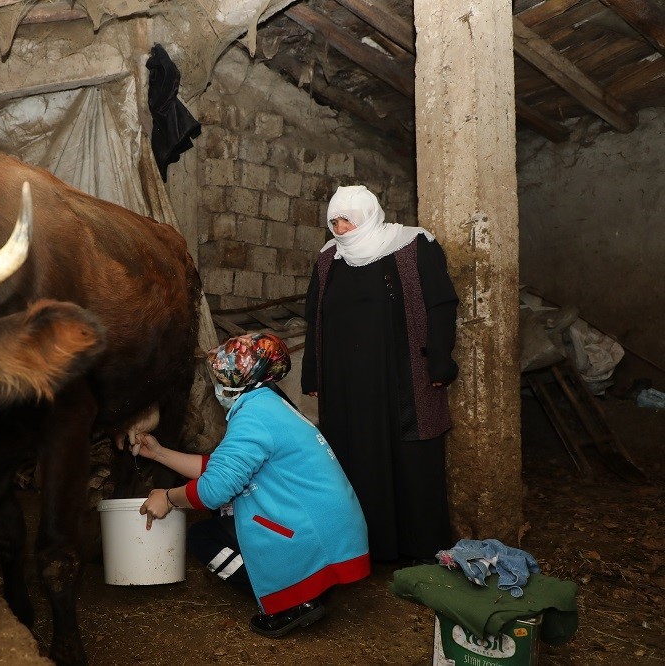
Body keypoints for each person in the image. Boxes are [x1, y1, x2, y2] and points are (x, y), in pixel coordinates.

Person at [137, 332, 370, 638]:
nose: (216, 387)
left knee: (202, 537)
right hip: (329, 531)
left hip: (312, 534)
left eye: (219, 378)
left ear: (238, 379)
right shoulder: (269, 404)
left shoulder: (253, 418)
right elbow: (221, 468)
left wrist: (168, 497)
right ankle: (309, 585)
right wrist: (158, 452)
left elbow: (213, 489)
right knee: (224, 515)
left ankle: (291, 600)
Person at [301, 184, 458, 563]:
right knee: (352, 456)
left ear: (369, 216)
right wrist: (313, 373)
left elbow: (440, 304)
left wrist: (439, 360)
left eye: (347, 221)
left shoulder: (413, 245)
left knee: (409, 455)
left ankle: (416, 550)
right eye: (334, 222)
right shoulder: (328, 260)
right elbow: (314, 318)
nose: (340, 229)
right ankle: (361, 549)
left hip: (399, 375)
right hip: (346, 381)